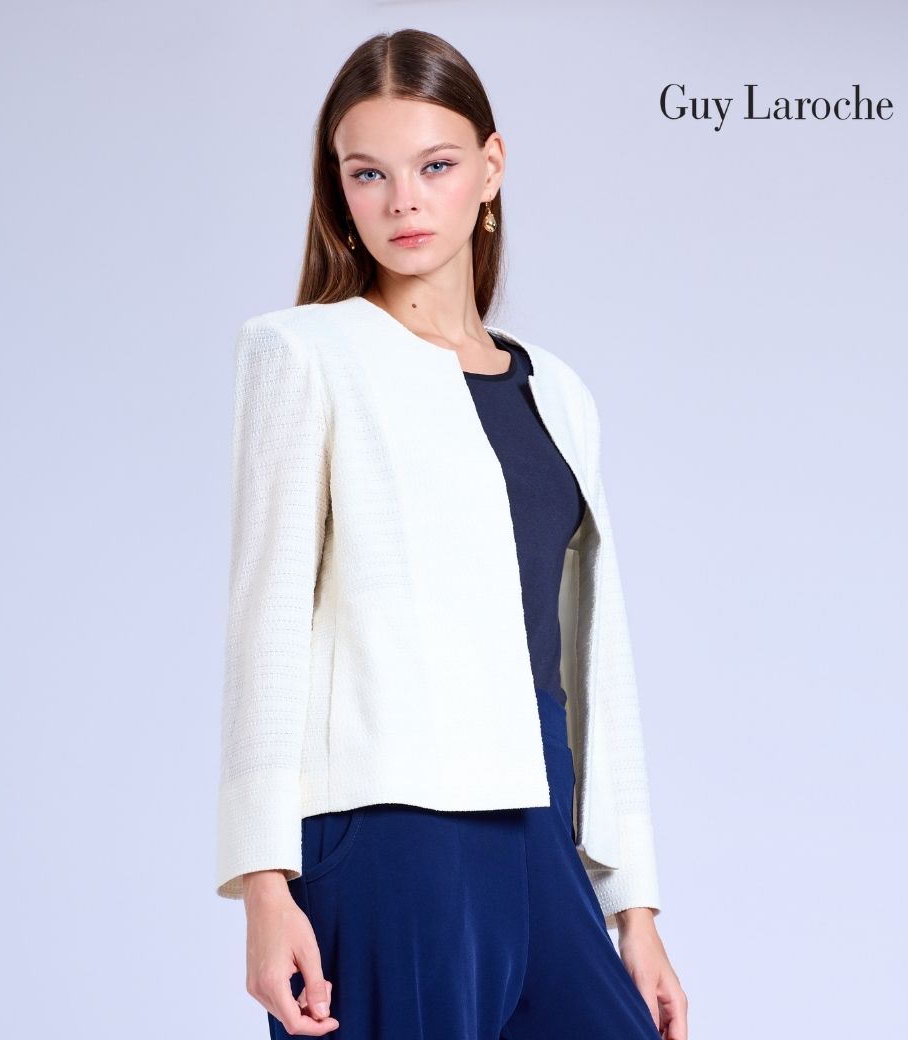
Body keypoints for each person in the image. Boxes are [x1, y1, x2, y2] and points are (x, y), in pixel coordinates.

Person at [216, 27, 688, 1040]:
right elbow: (265, 629)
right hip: (390, 828)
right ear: (338, 189)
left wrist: (633, 907)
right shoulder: (302, 352)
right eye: (368, 173)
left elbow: (593, 655)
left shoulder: (558, 391)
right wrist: (263, 883)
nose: (403, 201)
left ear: (490, 167)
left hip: (543, 818)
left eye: (433, 166)